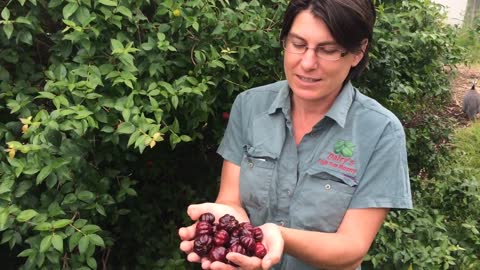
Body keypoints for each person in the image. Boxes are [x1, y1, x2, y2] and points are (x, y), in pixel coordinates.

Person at [178, 0, 413, 269]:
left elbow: (352, 246)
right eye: (298, 44)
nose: (307, 63)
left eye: (328, 50)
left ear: (358, 52)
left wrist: (280, 237)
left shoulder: (381, 131)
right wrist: (226, 222)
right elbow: (230, 200)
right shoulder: (250, 106)